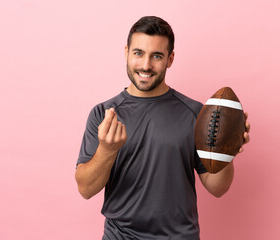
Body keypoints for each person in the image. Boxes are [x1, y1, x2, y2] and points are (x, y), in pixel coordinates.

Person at [75, 16, 250, 240]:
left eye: (156, 56)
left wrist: (226, 151)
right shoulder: (103, 114)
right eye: (138, 53)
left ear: (170, 59)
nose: (146, 65)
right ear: (127, 52)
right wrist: (107, 151)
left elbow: (218, 189)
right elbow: (85, 189)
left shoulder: (195, 113)